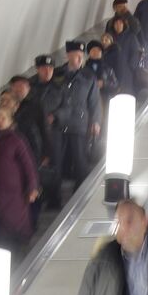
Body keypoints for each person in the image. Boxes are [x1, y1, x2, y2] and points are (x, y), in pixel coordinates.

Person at [0, 107, 39, 255]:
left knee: (15, 221)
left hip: (15, 193)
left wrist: (33, 186)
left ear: (10, 121)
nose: (0, 121)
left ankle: (19, 248)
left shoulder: (17, 140)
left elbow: (29, 165)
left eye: (3, 118)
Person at [54, 40, 102, 188]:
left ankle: (80, 190)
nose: (80, 59)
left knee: (80, 159)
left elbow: (95, 101)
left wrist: (96, 121)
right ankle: (54, 196)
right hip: (59, 124)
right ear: (68, 56)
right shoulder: (57, 74)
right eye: (76, 56)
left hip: (79, 124)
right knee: (58, 160)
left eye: (82, 56)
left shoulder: (88, 76)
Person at [30, 54, 66, 209]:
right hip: (35, 134)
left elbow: (67, 108)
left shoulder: (59, 88)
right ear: (38, 69)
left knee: (55, 166)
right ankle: (39, 198)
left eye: (50, 68)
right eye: (44, 68)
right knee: (35, 166)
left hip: (54, 133)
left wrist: (56, 116)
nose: (48, 71)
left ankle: (55, 199)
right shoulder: (30, 87)